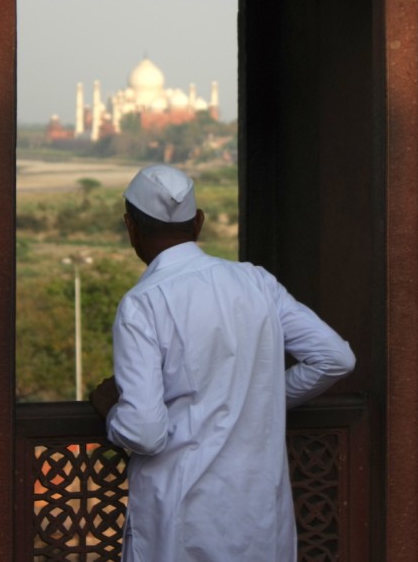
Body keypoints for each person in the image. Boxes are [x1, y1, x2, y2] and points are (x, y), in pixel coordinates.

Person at [90, 164, 355, 562]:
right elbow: (335, 358)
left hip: (182, 515)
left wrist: (111, 410)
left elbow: (144, 433)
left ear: (130, 227)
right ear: (198, 222)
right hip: (257, 511)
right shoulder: (256, 281)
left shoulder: (144, 303)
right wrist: (257, 397)